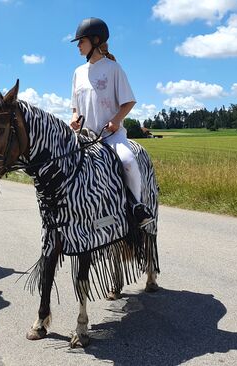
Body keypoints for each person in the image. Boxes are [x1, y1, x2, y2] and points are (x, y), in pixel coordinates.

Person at [69, 17, 154, 227]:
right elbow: (74, 105)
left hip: (111, 136)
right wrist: (73, 118)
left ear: (95, 40)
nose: (78, 45)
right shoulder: (78, 73)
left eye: (82, 41)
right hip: (85, 137)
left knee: (127, 162)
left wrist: (116, 121)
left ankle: (137, 206)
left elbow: (129, 101)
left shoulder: (114, 69)